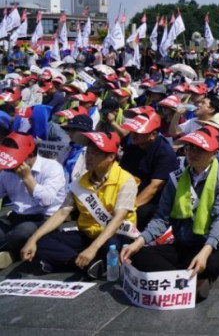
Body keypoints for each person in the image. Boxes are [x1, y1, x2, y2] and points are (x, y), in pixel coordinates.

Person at [121, 126, 219, 300]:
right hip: (183, 243)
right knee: (139, 255)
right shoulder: (176, 178)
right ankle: (190, 281)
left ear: (213, 153)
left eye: (200, 149)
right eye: (190, 147)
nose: (193, 153)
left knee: (212, 262)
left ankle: (186, 277)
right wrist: (138, 242)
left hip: (213, 245)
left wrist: (205, 252)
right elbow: (161, 217)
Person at [21, 131, 138, 278]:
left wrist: (93, 248)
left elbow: (118, 219)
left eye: (94, 154)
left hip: (115, 235)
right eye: (87, 153)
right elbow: (62, 212)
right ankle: (85, 265)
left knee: (111, 246)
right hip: (88, 234)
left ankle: (66, 261)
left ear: (110, 157)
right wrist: (33, 239)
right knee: (42, 241)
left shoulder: (126, 180)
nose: (88, 157)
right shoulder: (80, 182)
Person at [0, 133, 66, 269]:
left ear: (30, 155)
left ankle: (16, 249)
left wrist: (27, 178)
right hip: (17, 217)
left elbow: (46, 200)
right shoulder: (7, 172)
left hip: (44, 219)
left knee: (22, 232)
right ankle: (16, 249)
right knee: (15, 231)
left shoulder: (52, 167)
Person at [119, 108, 180, 228]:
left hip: (154, 202)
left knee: (140, 215)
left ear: (153, 134)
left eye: (139, 132)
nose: (133, 134)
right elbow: (121, 174)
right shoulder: (133, 147)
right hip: (130, 193)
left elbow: (154, 187)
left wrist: (128, 209)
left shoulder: (165, 153)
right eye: (132, 131)